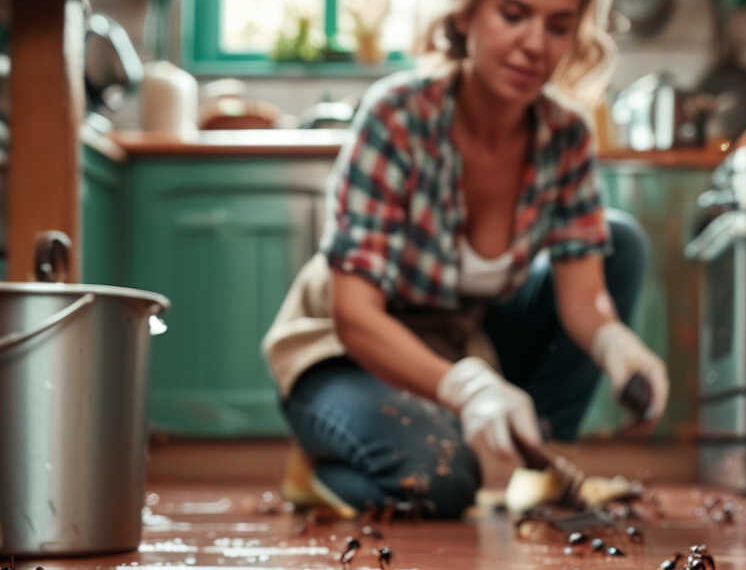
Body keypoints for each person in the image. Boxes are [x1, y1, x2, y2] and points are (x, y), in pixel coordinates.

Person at [263, 0, 669, 519]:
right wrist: (470, 389)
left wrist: (619, 346)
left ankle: (538, 463)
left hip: (455, 340)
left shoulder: (565, 137)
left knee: (620, 240)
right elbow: (354, 316)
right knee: (437, 482)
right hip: (342, 350)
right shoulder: (398, 117)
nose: (535, 44)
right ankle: (318, 467)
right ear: (464, 16)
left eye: (558, 26)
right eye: (514, 15)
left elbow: (583, 297)